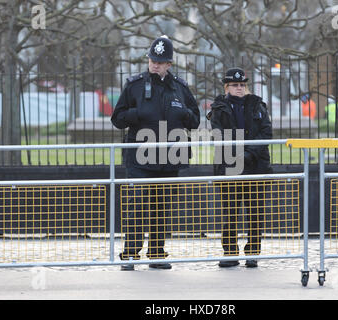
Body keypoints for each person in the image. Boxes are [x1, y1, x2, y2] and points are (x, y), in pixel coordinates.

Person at [111, 35, 200, 270]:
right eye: (152, 60)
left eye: (160, 62)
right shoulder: (135, 85)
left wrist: (184, 116)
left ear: (169, 64)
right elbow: (117, 119)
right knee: (137, 205)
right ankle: (130, 254)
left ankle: (157, 253)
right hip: (140, 157)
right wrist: (135, 114)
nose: (155, 64)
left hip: (169, 158)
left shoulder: (180, 87)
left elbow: (196, 119)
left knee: (162, 207)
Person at [207, 67, 272, 268]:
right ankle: (230, 252)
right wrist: (238, 153)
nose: (239, 88)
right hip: (229, 167)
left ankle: (253, 252)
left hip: (255, 166)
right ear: (227, 87)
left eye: (242, 85)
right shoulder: (219, 108)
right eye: (234, 85)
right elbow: (219, 135)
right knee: (230, 212)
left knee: (254, 212)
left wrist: (249, 153)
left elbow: (266, 133)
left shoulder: (257, 105)